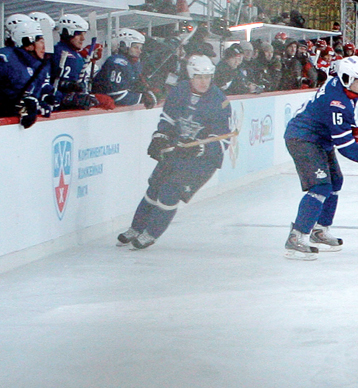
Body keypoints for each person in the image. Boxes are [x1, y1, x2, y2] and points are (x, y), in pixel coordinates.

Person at [118, 55, 232, 249]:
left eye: (207, 77)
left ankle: (152, 232)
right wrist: (160, 136)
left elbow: (223, 140)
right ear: (190, 76)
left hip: (203, 161)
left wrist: (200, 147)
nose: (204, 81)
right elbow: (168, 119)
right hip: (177, 150)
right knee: (154, 187)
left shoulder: (219, 101)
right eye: (199, 77)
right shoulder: (179, 91)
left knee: (170, 191)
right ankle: (136, 227)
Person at [281, 56, 358, 260]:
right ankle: (296, 238)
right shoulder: (336, 100)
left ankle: (319, 230)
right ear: (346, 78)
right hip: (303, 138)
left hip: (320, 137)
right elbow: (345, 146)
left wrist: (353, 129)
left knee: (336, 181)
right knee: (320, 186)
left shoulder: (343, 87)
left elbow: (341, 125)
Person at [0, 16, 55, 127]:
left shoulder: (40, 66)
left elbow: (33, 95)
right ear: (28, 44)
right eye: (41, 41)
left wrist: (38, 103)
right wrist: (9, 106)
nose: (46, 47)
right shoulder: (5, 59)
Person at [51, 13, 111, 111]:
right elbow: (55, 84)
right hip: (61, 108)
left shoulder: (74, 54)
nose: (83, 38)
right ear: (67, 33)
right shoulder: (59, 53)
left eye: (84, 34)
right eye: (79, 34)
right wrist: (69, 97)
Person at [93, 29, 157, 108]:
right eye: (135, 47)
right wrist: (142, 98)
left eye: (140, 48)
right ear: (123, 46)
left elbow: (133, 87)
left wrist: (146, 90)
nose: (139, 51)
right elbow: (116, 96)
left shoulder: (135, 64)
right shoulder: (117, 62)